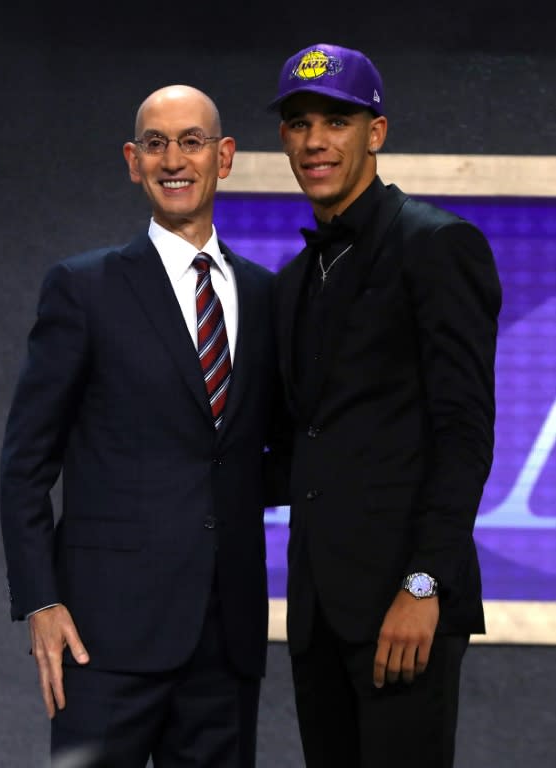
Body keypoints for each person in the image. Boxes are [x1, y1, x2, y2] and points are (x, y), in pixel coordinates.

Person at [0, 84, 278, 768]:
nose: (172, 158)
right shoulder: (83, 287)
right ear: (132, 161)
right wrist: (40, 602)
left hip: (224, 643)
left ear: (226, 157)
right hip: (103, 640)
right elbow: (25, 464)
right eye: (155, 144)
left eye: (191, 141)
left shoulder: (267, 295)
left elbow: (259, 452)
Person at [267, 44, 502, 767]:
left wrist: (424, 583)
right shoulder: (296, 278)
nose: (314, 141)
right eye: (298, 123)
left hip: (406, 606)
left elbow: (463, 432)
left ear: (374, 131)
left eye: (335, 121)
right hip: (317, 614)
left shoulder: (436, 246)